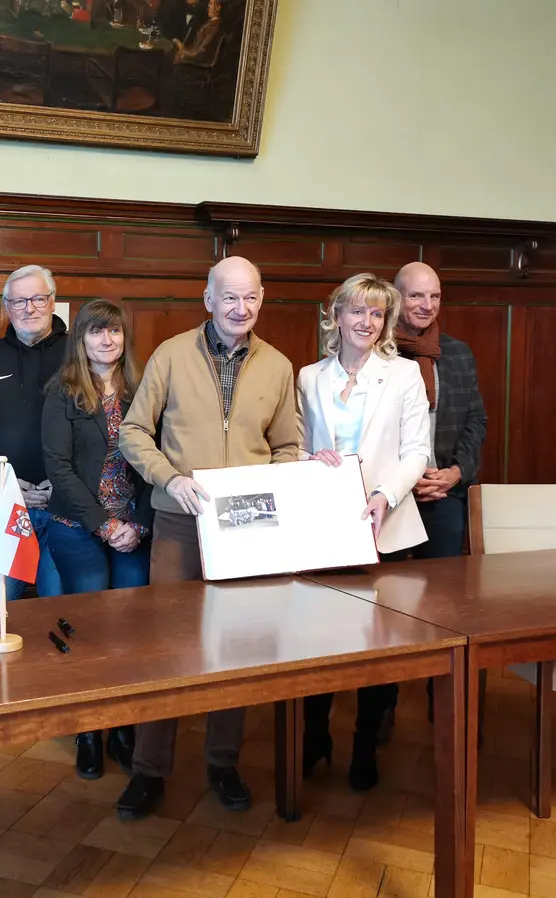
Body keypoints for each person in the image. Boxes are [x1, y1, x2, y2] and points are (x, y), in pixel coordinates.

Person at [115, 256, 302, 819]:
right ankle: (149, 770)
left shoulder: (279, 366)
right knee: (166, 649)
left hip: (247, 528)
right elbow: (133, 431)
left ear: (261, 299)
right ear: (208, 298)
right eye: (228, 298)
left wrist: (272, 485)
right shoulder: (171, 354)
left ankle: (223, 761)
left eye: (249, 298)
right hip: (178, 520)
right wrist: (169, 479)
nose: (239, 309)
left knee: (236, 648)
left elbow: (289, 447)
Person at [293, 274, 433, 791]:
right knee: (319, 641)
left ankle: (364, 743)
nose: (366, 323)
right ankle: (315, 736)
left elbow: (418, 450)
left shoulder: (404, 376)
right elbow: (295, 446)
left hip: (388, 526)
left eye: (376, 314)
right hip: (326, 529)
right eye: (357, 311)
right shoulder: (309, 377)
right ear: (336, 315)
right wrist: (311, 458)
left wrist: (386, 495)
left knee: (381, 646)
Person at [40, 299, 150, 780]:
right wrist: (103, 524)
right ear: (80, 339)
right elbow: (57, 468)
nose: (106, 341)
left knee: (128, 633)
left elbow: (159, 461)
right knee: (87, 632)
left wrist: (136, 524)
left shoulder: (144, 390)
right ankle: (89, 730)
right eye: (96, 332)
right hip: (79, 527)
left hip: (136, 528)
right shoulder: (63, 391)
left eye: (114, 333)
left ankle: (123, 728)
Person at [392, 260, 490, 736]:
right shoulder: (379, 352)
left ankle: (444, 707)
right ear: (396, 298)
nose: (426, 306)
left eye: (433, 296)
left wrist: (455, 473)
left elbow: (476, 422)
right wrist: (403, 480)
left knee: (442, 609)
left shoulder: (458, 354)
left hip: (444, 494)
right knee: (386, 609)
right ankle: (379, 712)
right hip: (389, 497)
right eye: (415, 296)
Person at [0, 264, 67, 604]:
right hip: (5, 504)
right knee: (1, 606)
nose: (28, 308)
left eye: (37, 298)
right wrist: (3, 481)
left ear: (52, 302)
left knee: (61, 604)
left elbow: (95, 428)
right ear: (6, 308)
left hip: (66, 504)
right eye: (18, 301)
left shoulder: (79, 354)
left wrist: (64, 483)